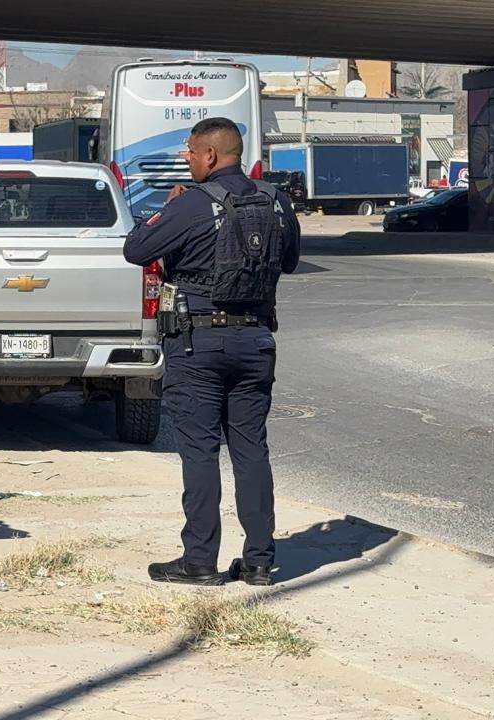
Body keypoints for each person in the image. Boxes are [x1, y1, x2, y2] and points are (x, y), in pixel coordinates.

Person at [123, 117, 301, 587]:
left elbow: (136, 249)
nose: (186, 159)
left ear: (209, 156)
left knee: (200, 451)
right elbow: (289, 261)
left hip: (197, 342)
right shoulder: (276, 200)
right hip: (256, 340)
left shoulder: (193, 203)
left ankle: (199, 560)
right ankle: (259, 561)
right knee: (251, 449)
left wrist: (168, 210)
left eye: (189, 152)